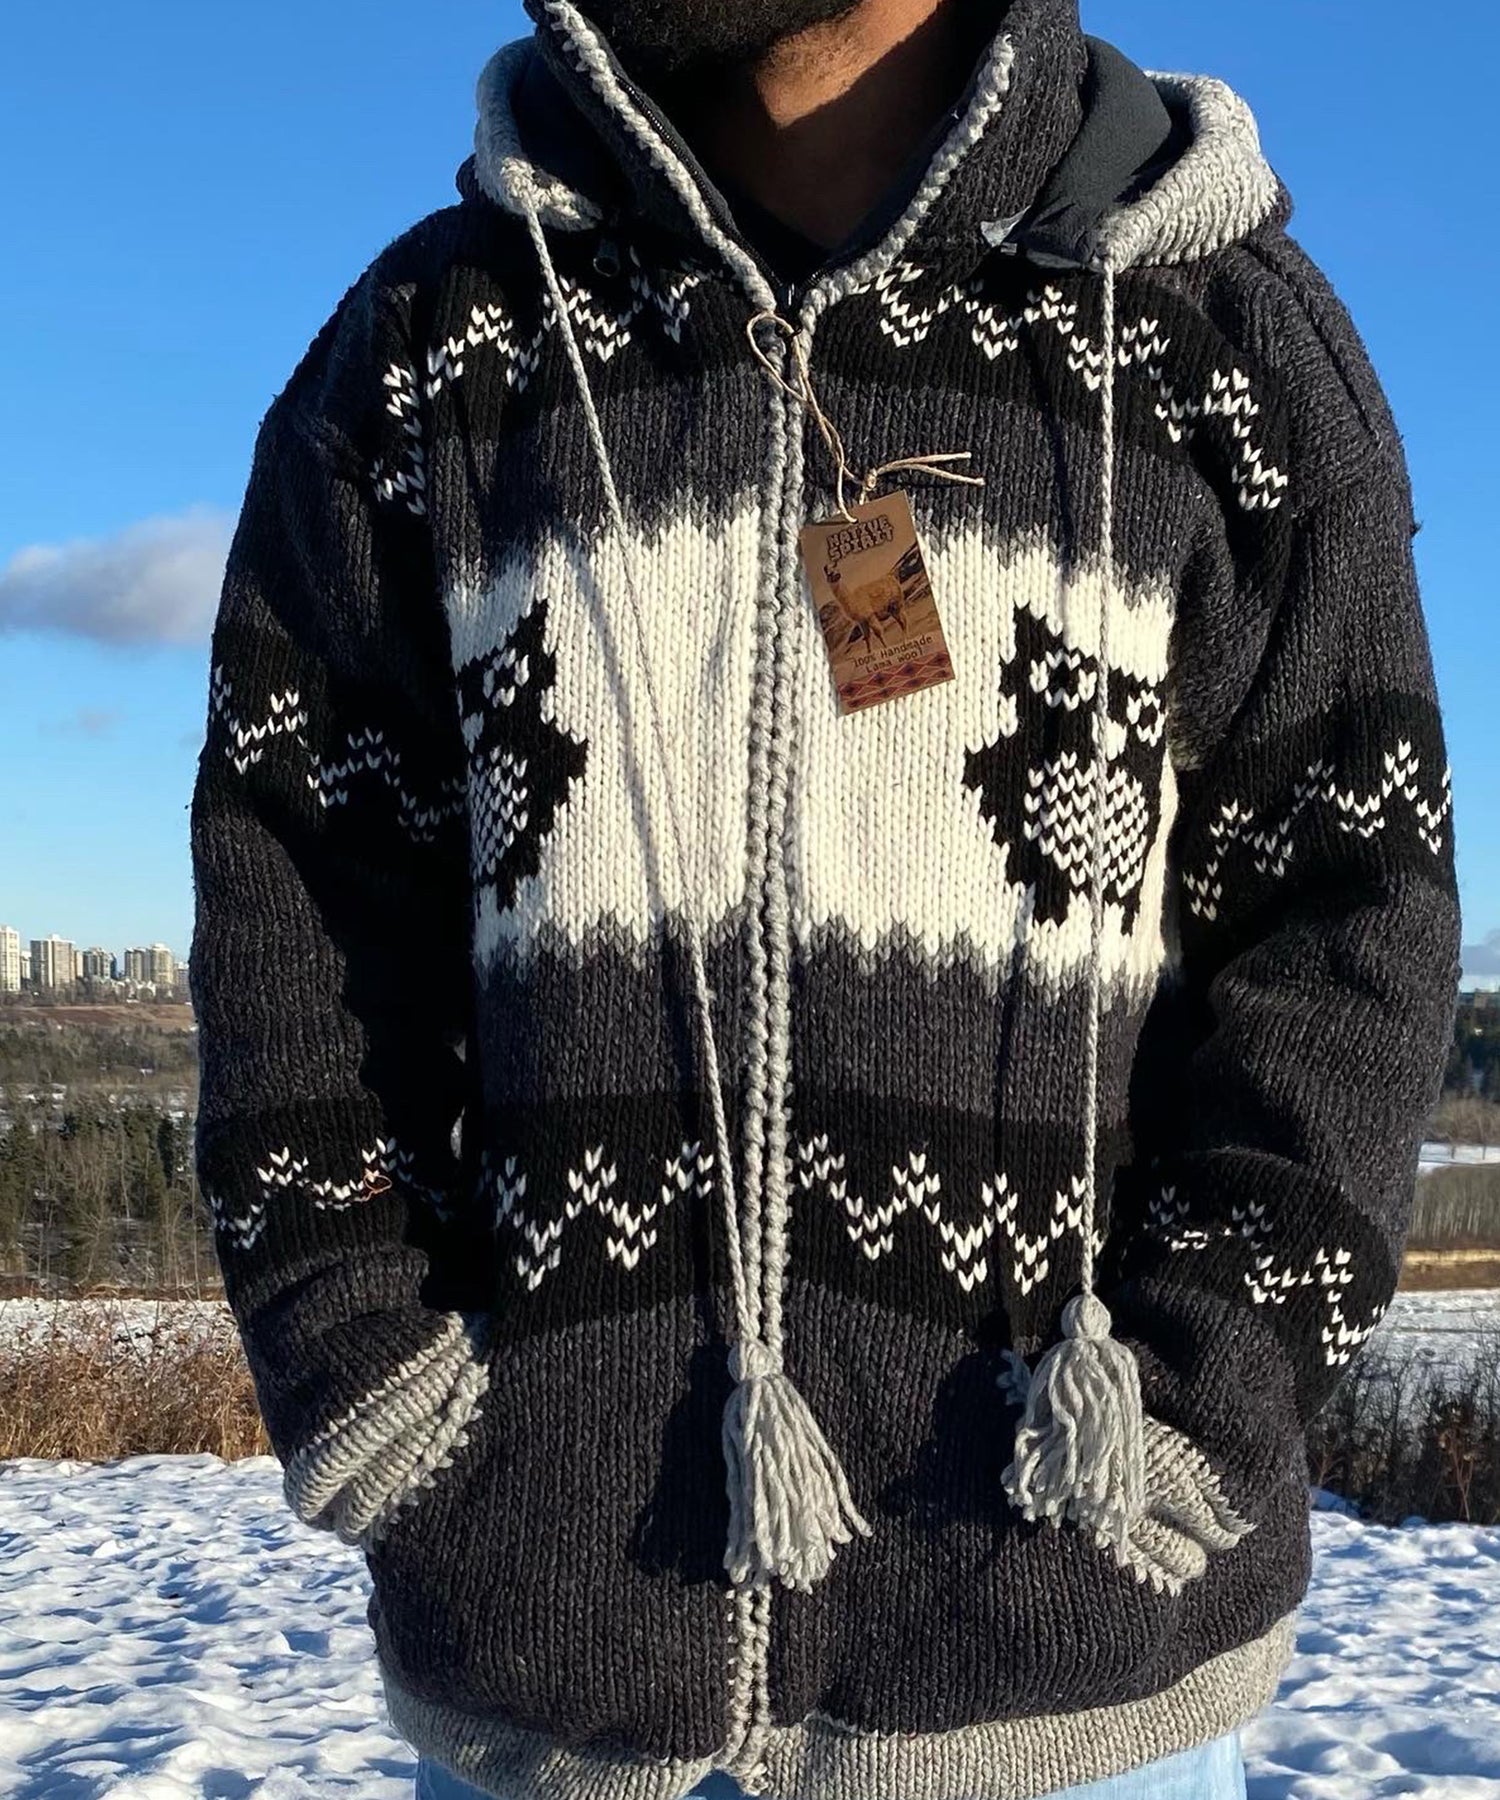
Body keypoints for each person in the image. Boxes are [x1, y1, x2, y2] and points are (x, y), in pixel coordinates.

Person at [186, 0, 1461, 1795]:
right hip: (565, 1657)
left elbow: (1349, 928)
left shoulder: (1222, 341)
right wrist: (372, 1375)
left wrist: (1205, 1391)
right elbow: (297, 885)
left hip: (1074, 1651)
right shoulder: (431, 348)